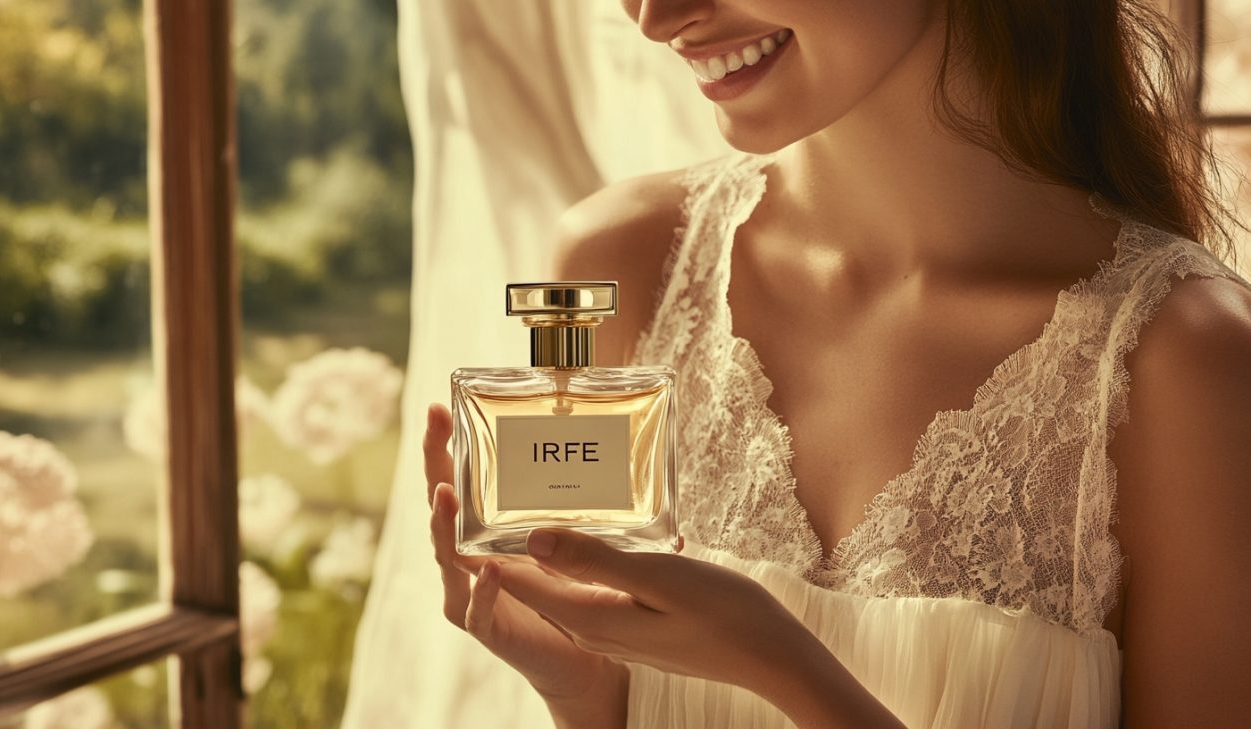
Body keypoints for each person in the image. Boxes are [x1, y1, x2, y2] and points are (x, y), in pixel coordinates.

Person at [424, 1, 1251, 726]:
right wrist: (586, 696)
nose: (654, 14)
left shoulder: (1185, 363)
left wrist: (785, 668)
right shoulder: (627, 266)